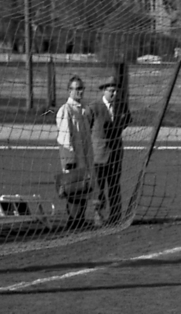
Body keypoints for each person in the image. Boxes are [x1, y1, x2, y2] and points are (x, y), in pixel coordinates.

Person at [90, 75, 132, 225]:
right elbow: (87, 127)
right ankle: (98, 214)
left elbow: (127, 120)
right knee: (99, 187)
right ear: (103, 91)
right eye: (110, 91)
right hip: (99, 155)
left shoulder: (121, 106)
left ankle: (115, 216)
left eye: (116, 91)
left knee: (114, 185)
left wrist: (117, 131)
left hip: (116, 153)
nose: (114, 94)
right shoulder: (94, 108)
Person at [56, 75, 95, 228]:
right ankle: (73, 221)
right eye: (75, 88)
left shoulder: (84, 110)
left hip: (85, 156)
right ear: (69, 90)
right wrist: (68, 162)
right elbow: (64, 137)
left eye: (81, 88)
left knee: (84, 188)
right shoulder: (66, 110)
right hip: (74, 158)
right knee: (73, 190)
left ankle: (80, 220)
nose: (79, 91)